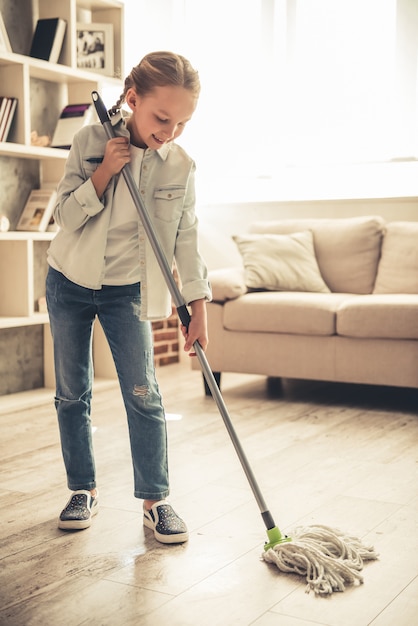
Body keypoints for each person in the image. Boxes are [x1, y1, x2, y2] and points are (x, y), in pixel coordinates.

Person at [46, 51, 211, 544]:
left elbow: (187, 238)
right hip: (69, 281)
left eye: (182, 122)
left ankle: (156, 500)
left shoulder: (180, 165)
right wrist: (103, 175)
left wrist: (198, 307)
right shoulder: (90, 140)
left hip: (128, 293)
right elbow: (64, 218)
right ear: (132, 98)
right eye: (162, 118)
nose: (170, 131)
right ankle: (83, 489)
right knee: (72, 394)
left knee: (144, 394)